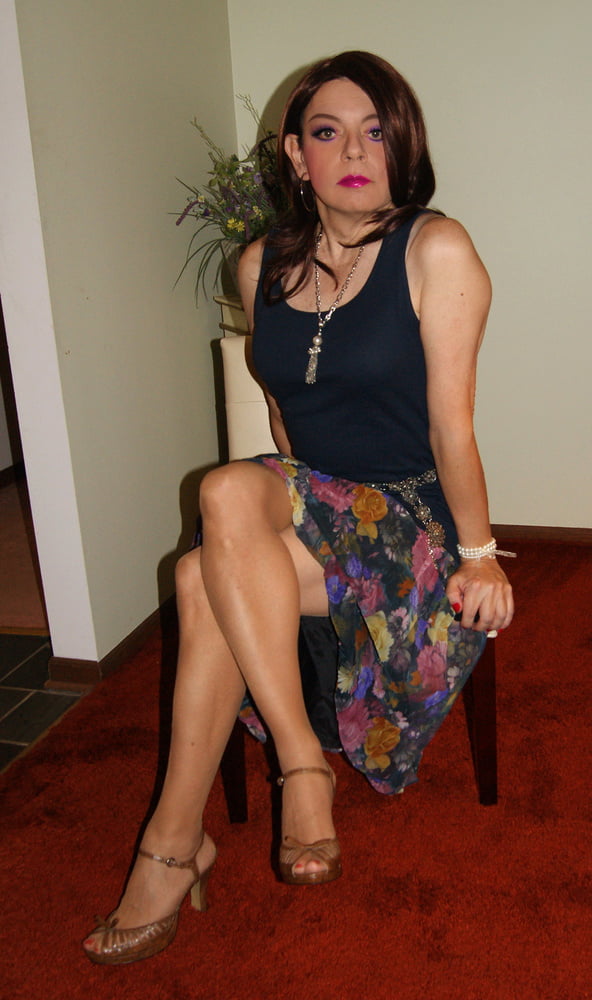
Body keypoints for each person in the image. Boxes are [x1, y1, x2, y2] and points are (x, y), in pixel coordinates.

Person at [83, 50, 514, 966]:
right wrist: (286, 515)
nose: (353, 150)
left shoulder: (436, 249)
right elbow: (287, 420)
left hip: (409, 525)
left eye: (375, 131)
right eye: (328, 131)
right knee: (221, 529)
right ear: (294, 153)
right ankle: (270, 783)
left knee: (207, 555)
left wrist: (480, 554)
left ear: (404, 146)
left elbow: (452, 426)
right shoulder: (259, 266)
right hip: (313, 510)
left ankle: (190, 837)